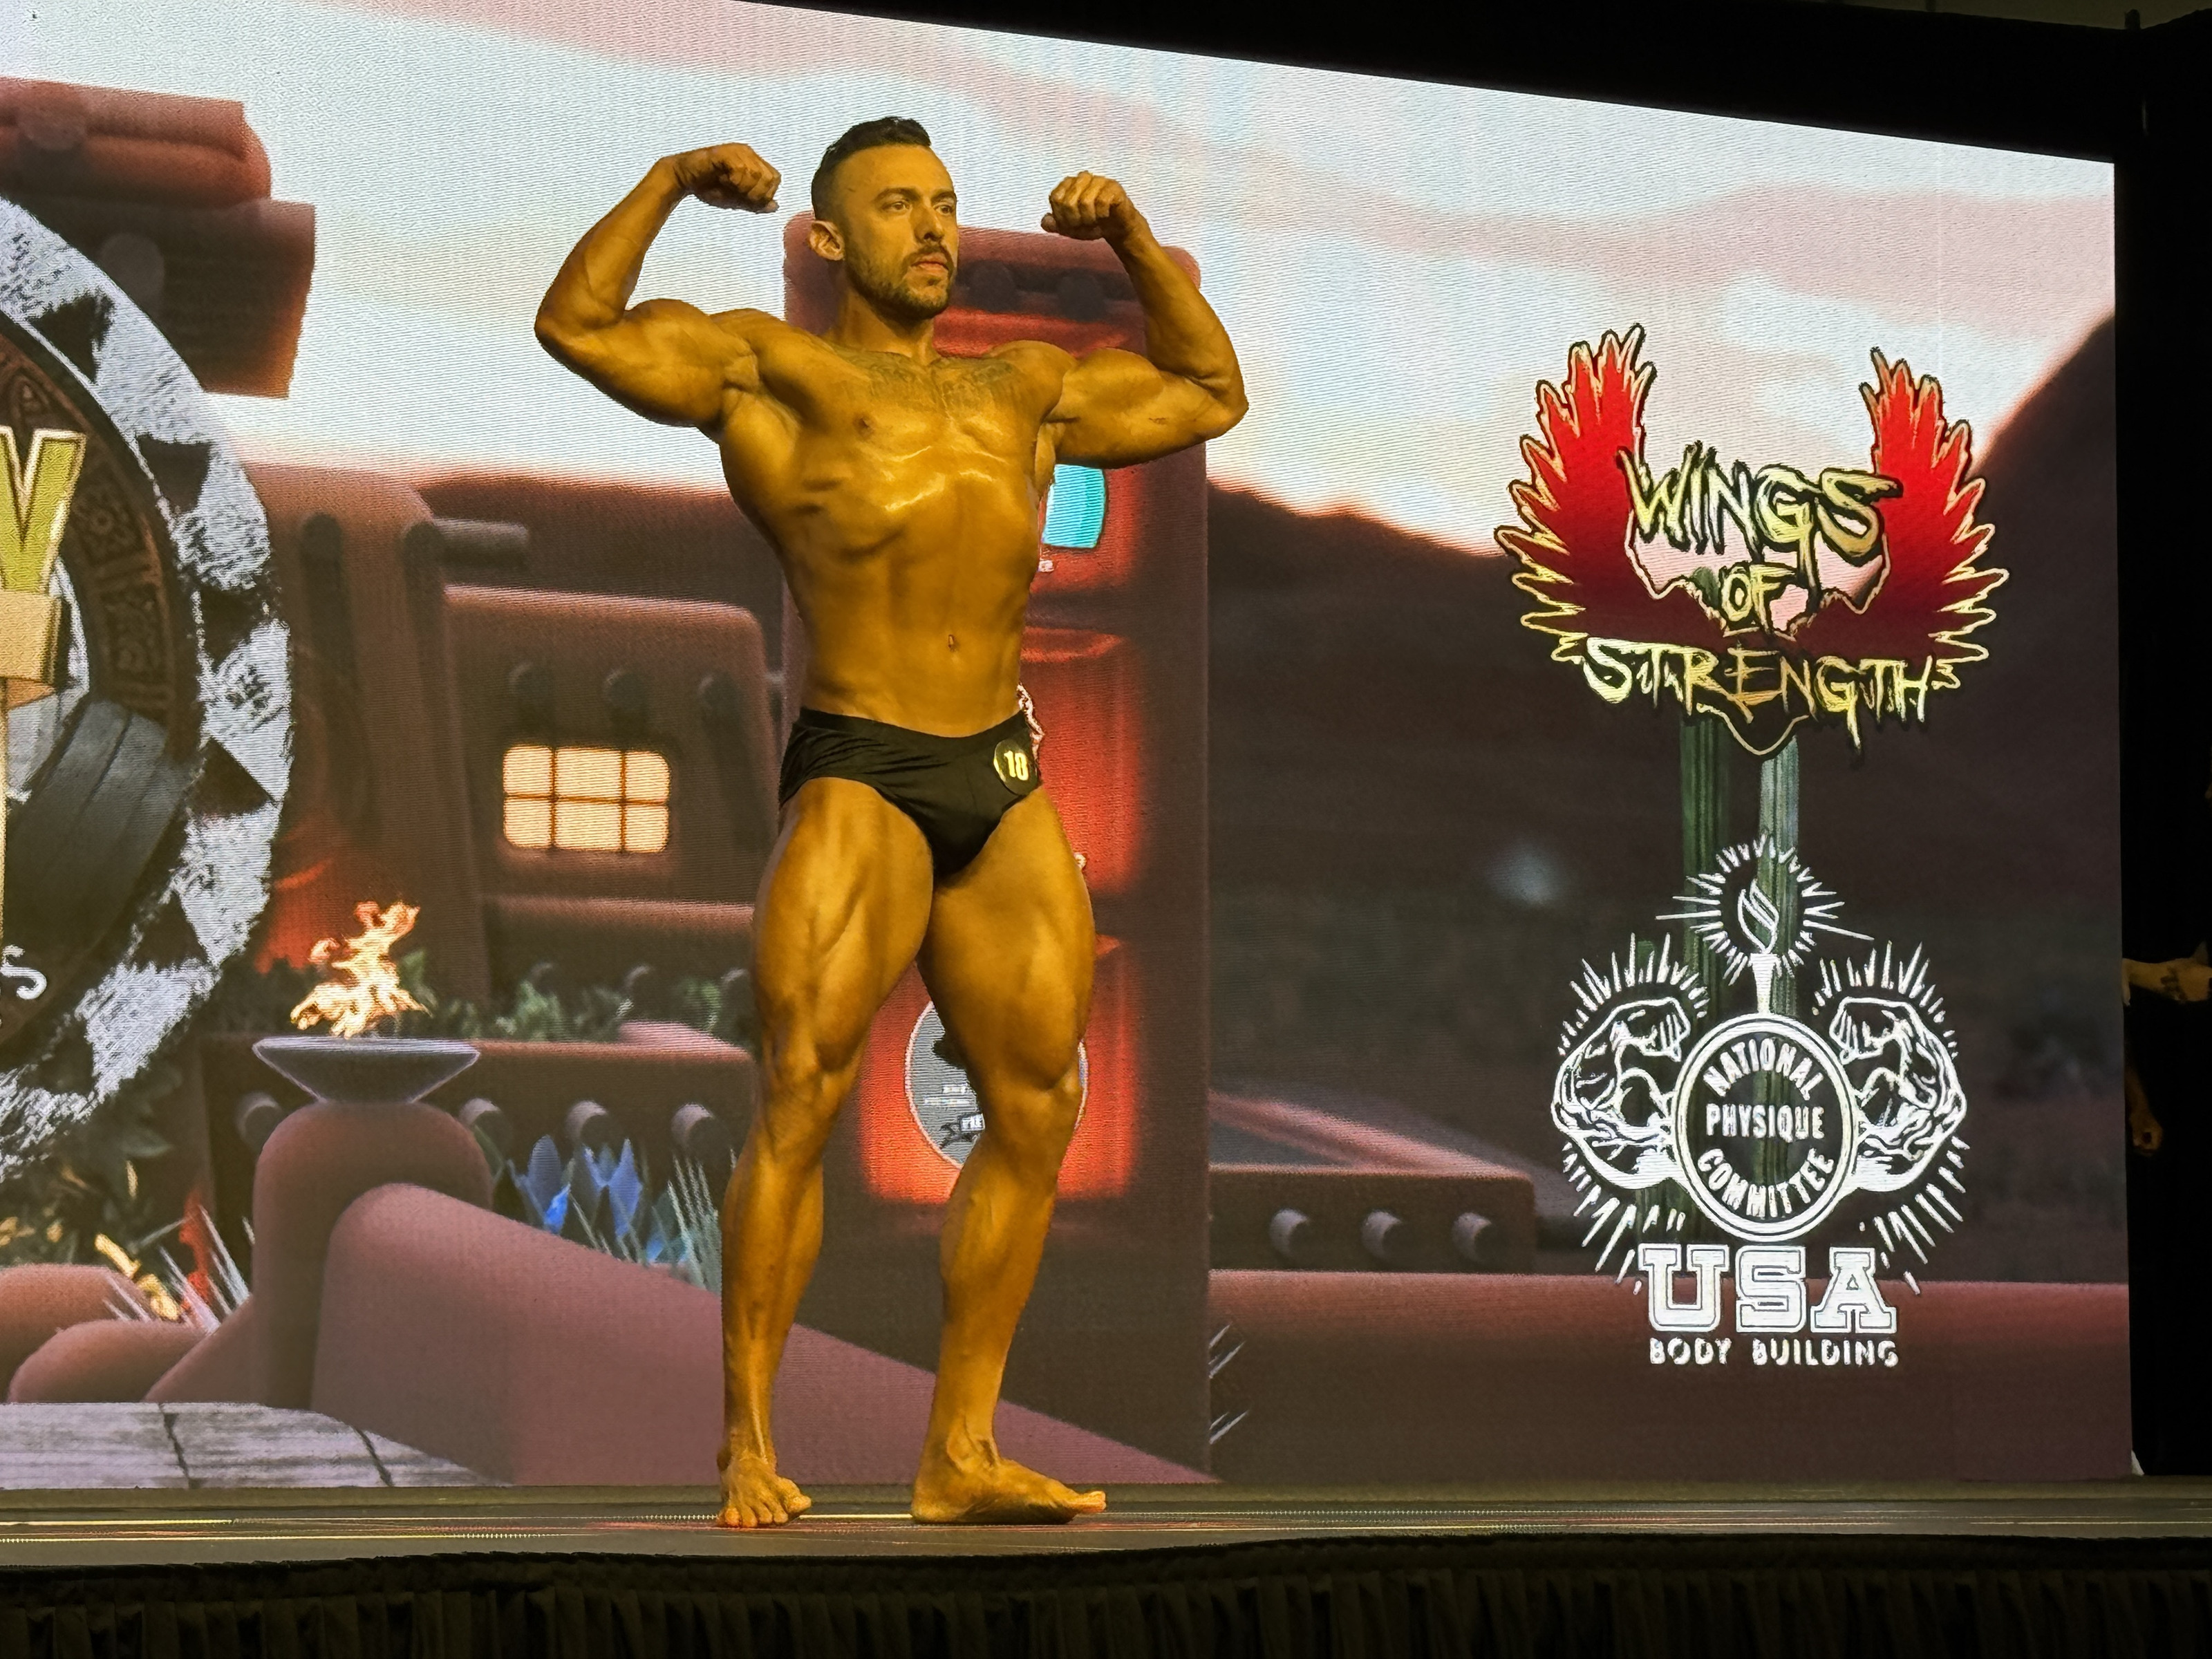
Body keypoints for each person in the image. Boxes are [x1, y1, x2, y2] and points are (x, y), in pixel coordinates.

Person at [535, 118, 1246, 1526]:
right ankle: (748, 1445)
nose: (931, 228)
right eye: (897, 206)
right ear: (828, 237)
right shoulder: (774, 374)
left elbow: (1209, 391)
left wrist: (1128, 238)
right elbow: (580, 326)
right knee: (801, 1099)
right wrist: (669, 181)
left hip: (999, 775)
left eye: (944, 204)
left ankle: (957, 1452)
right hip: (863, 769)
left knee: (1039, 1109)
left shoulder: (1025, 389)